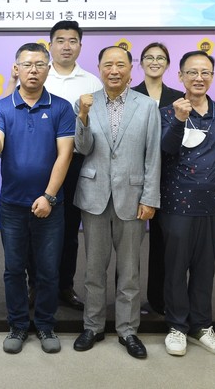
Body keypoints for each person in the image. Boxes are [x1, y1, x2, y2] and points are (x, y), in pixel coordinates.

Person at [0, 43, 74, 354]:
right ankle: (18, 325)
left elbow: (65, 155)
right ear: (16, 69)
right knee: (14, 269)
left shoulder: (61, 107)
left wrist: (49, 196)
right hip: (12, 205)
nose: (33, 70)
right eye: (26, 64)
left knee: (48, 270)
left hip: (51, 205)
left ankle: (46, 324)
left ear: (48, 69)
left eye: (39, 65)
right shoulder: (2, 107)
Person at [72, 46, 161, 359]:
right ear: (98, 68)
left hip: (133, 198)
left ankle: (128, 330)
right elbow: (82, 148)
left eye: (120, 65)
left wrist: (150, 197)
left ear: (130, 69)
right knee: (94, 269)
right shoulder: (86, 102)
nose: (114, 70)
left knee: (129, 271)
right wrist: (83, 116)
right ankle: (92, 326)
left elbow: (153, 155)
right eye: (108, 64)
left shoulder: (147, 106)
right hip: (94, 196)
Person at [159, 50, 215, 357]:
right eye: (192, 72)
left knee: (205, 269)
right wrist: (179, 121)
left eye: (205, 72)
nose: (199, 78)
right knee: (176, 268)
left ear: (212, 76)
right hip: (177, 203)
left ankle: (202, 326)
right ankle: (177, 326)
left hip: (214, 205)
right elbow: (164, 151)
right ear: (180, 76)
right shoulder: (168, 112)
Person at [37, 20, 102, 310]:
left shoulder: (92, 82)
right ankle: (35, 286)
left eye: (72, 40)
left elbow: (97, 127)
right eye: (60, 40)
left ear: (80, 46)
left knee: (69, 228)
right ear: (50, 45)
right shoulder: (39, 74)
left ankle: (65, 286)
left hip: (76, 162)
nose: (66, 46)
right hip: (40, 160)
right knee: (34, 226)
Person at [131, 42, 184, 316]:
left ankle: (158, 300)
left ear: (167, 64)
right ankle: (127, 304)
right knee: (130, 246)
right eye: (149, 57)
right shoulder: (130, 95)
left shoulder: (178, 98)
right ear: (140, 63)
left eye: (160, 57)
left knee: (162, 243)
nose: (155, 61)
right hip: (134, 177)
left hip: (169, 177)